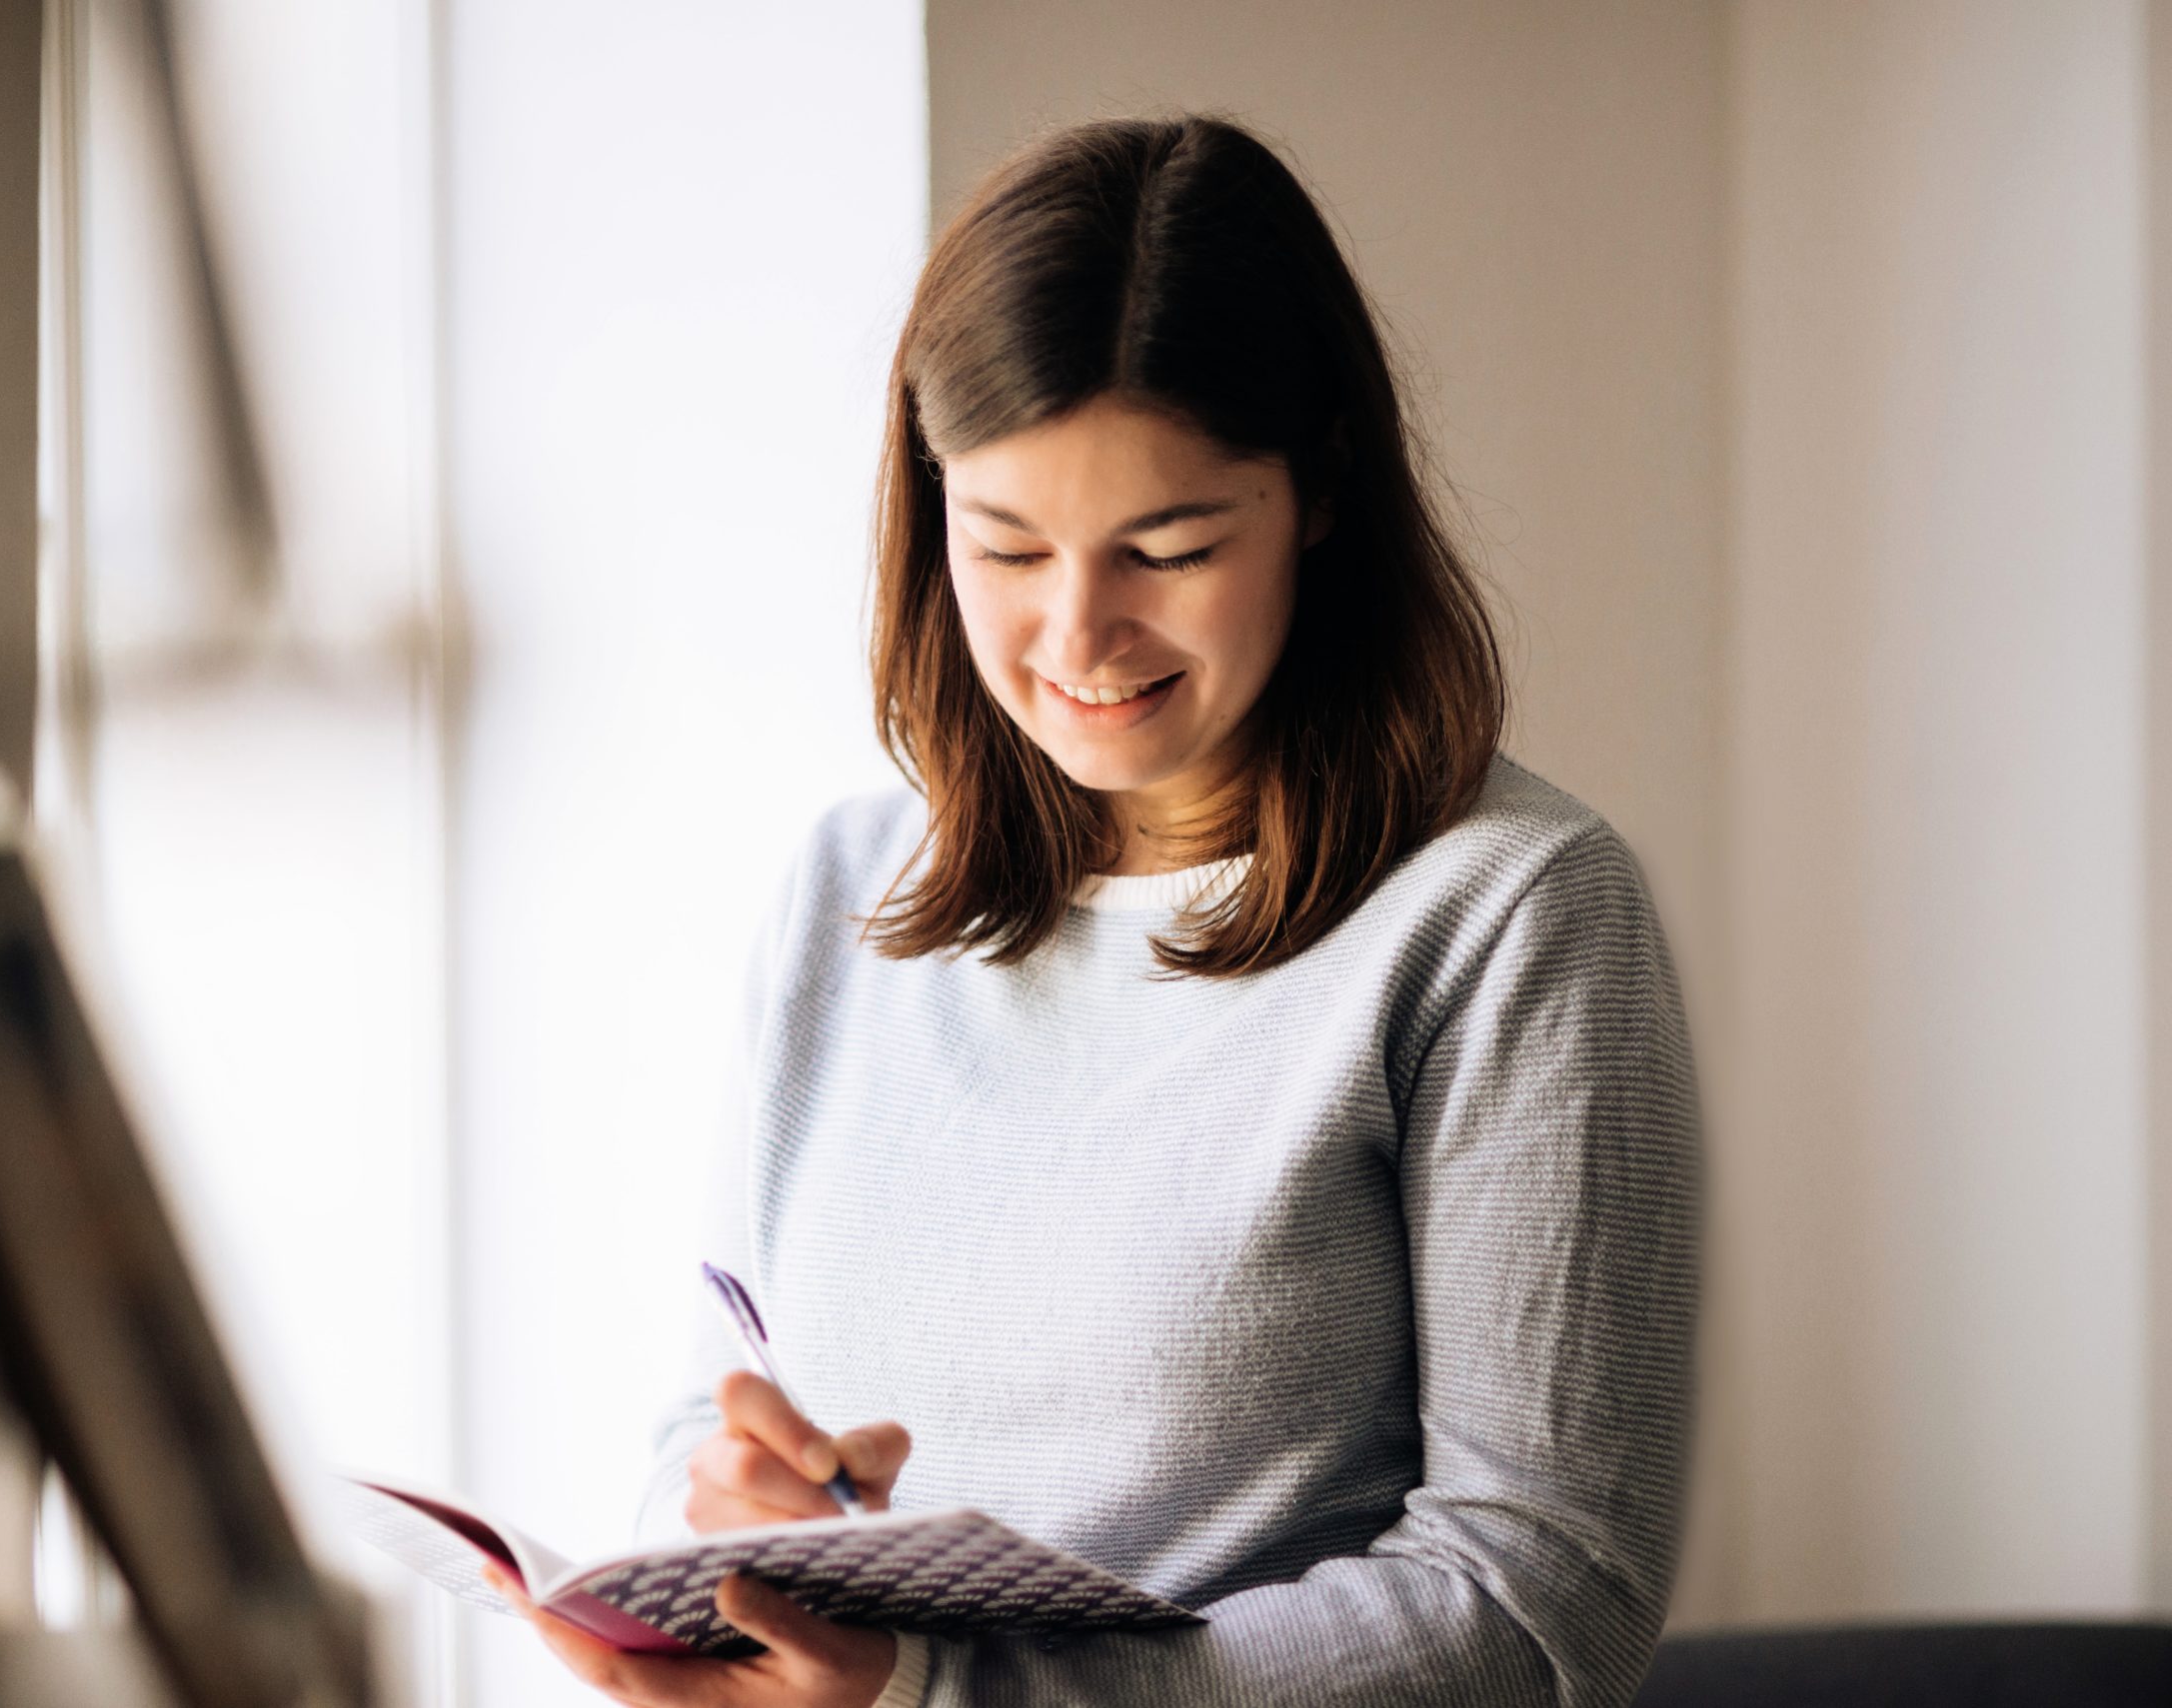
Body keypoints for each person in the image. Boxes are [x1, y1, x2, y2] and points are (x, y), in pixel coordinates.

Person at [488, 111, 1700, 1708]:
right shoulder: (852, 891)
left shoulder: (1506, 914)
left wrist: (951, 1693)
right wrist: (723, 1538)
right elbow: (705, 1434)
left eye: (1170, 548)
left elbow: (1540, 1596)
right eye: (1005, 545)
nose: (1080, 635)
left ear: (1321, 490)